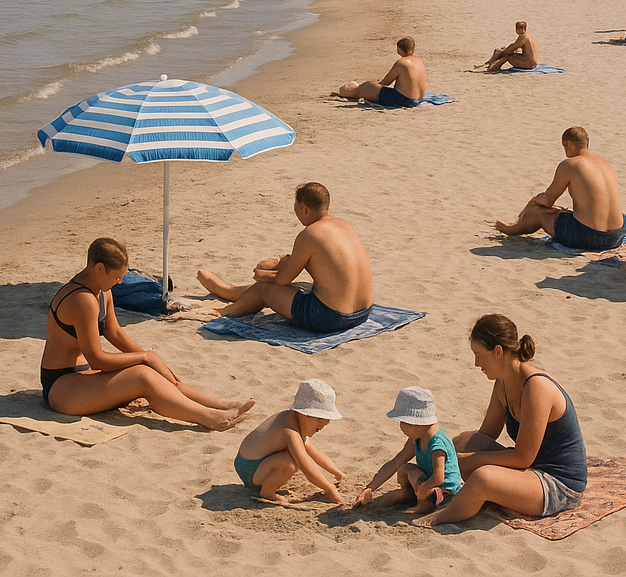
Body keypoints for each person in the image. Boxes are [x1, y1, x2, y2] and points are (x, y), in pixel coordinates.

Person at [41, 238, 253, 428]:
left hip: (82, 376)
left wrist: (152, 361)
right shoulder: (82, 300)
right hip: (62, 387)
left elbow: (115, 333)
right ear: (98, 268)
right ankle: (209, 417)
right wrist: (145, 357)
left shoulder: (102, 291)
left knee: (152, 371)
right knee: (142, 376)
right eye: (117, 277)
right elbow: (96, 359)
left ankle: (220, 405)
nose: (120, 282)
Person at [413, 315, 586, 527]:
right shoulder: (503, 384)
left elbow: (523, 457)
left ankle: (434, 519)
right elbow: (484, 435)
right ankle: (439, 492)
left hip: (559, 484)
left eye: (479, 355)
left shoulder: (536, 388)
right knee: (461, 442)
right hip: (532, 470)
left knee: (482, 478)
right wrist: (455, 454)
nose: (476, 363)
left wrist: (470, 461)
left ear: (498, 351)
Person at [196, 182, 374, 333]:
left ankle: (226, 310)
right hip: (363, 312)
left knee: (265, 289)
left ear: (304, 208)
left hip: (331, 318)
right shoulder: (345, 225)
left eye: (296, 207)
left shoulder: (309, 234)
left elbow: (282, 280)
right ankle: (229, 290)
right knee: (295, 285)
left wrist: (261, 276)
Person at [493, 127, 626, 250]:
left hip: (587, 237)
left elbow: (548, 200)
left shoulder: (570, 165)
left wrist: (533, 201)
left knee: (537, 211)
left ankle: (512, 229)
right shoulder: (605, 163)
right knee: (562, 212)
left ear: (569, 144)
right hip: (617, 235)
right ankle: (516, 225)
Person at [234, 379, 345, 504]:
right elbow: (307, 466)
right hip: (251, 469)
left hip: (247, 462)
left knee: (291, 458)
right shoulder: (289, 431)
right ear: (303, 414)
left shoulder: (289, 418)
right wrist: (329, 489)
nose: (324, 424)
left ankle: (268, 484)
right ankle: (267, 493)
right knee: (289, 463)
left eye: (326, 421)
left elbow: (313, 451)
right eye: (319, 419)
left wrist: (335, 471)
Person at [354, 386, 462, 513]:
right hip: (430, 483)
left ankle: (425, 504)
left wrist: (423, 489)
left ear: (416, 422)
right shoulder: (418, 436)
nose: (401, 427)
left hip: (445, 493)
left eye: (403, 421)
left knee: (424, 483)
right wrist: (370, 488)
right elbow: (395, 463)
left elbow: (439, 478)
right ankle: (407, 495)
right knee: (404, 468)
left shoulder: (437, 444)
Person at [337, 36, 427, 108]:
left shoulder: (402, 63)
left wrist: (376, 84)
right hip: (419, 97)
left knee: (369, 86)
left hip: (404, 100)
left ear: (399, 50)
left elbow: (386, 82)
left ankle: (348, 91)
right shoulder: (419, 61)